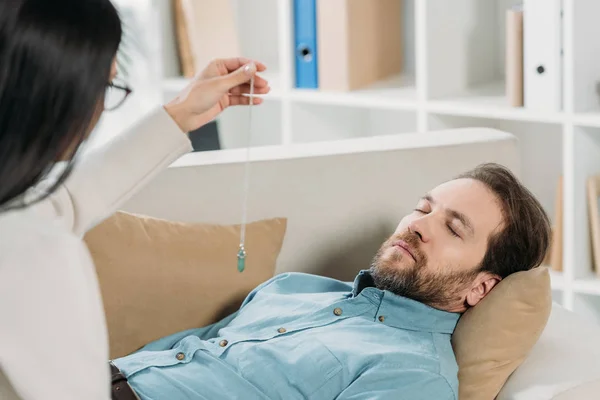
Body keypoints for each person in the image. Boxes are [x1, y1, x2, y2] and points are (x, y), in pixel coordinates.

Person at [0, 1, 270, 399]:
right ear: (60, 92)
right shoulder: (39, 255)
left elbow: (58, 204)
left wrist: (180, 113)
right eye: (107, 86)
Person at [108, 163, 552, 400]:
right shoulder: (293, 287)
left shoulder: (415, 377)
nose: (418, 226)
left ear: (481, 288)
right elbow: (180, 349)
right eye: (422, 208)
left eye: (454, 229)